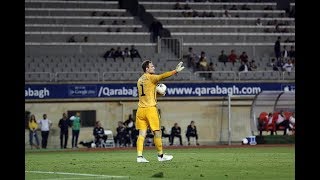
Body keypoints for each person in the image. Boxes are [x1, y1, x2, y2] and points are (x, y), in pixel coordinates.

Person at [135, 60, 185, 163]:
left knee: (141, 134)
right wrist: (175, 71)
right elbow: (162, 76)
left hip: (140, 110)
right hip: (150, 109)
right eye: (151, 66)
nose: (153, 67)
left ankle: (139, 157)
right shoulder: (151, 77)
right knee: (157, 132)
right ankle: (161, 156)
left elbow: (146, 94)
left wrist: (157, 94)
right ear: (146, 69)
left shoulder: (140, 80)